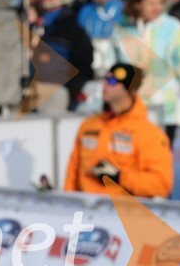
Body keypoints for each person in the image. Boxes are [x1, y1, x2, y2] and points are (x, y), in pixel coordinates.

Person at [111, 0, 180, 144]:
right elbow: (114, 68)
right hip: (131, 109)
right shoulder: (123, 30)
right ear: (137, 4)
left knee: (158, 161)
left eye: (160, 2)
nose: (157, 8)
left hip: (165, 109)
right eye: (150, 3)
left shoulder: (172, 28)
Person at [64, 63, 173, 197]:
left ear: (127, 89)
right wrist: (68, 204)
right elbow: (72, 173)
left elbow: (161, 185)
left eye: (112, 81)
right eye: (105, 79)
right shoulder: (89, 125)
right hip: (86, 211)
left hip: (124, 213)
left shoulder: (149, 134)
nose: (104, 85)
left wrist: (119, 177)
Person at [31, 0, 94, 111]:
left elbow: (83, 66)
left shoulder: (72, 30)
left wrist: (71, 94)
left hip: (55, 93)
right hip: (27, 92)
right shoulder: (33, 25)